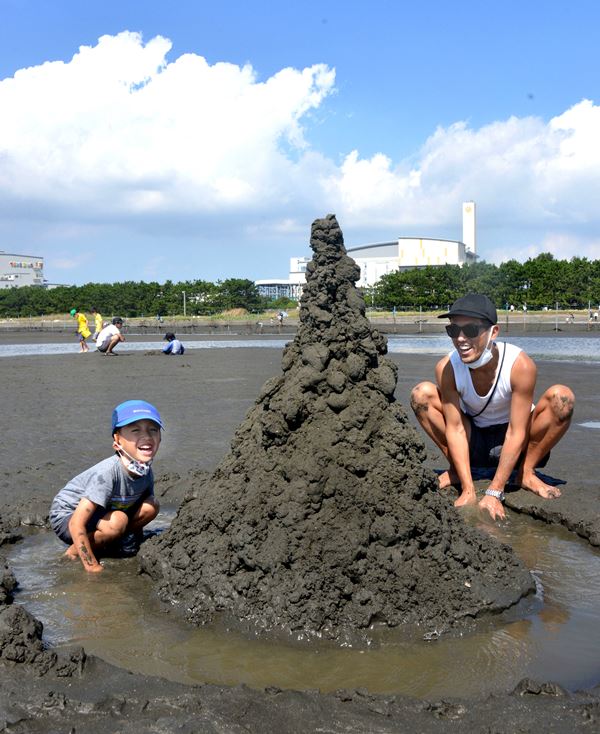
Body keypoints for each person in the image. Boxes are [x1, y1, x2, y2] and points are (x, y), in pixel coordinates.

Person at [410, 293, 575, 520]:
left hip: (519, 442)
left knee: (562, 397)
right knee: (422, 394)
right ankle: (459, 471)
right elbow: (455, 428)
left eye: (470, 330)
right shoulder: (446, 367)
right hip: (474, 440)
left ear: (493, 332)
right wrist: (469, 491)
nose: (460, 338)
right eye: (453, 330)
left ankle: (526, 472)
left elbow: (517, 431)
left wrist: (494, 492)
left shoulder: (520, 365)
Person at [49, 400, 162, 573]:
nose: (146, 436)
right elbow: (76, 523)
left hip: (105, 511)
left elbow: (140, 509)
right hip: (68, 514)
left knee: (151, 506)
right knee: (117, 522)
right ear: (117, 440)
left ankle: (115, 538)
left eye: (153, 429)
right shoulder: (108, 473)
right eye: (135, 430)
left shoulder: (146, 472)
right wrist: (91, 566)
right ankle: (75, 550)